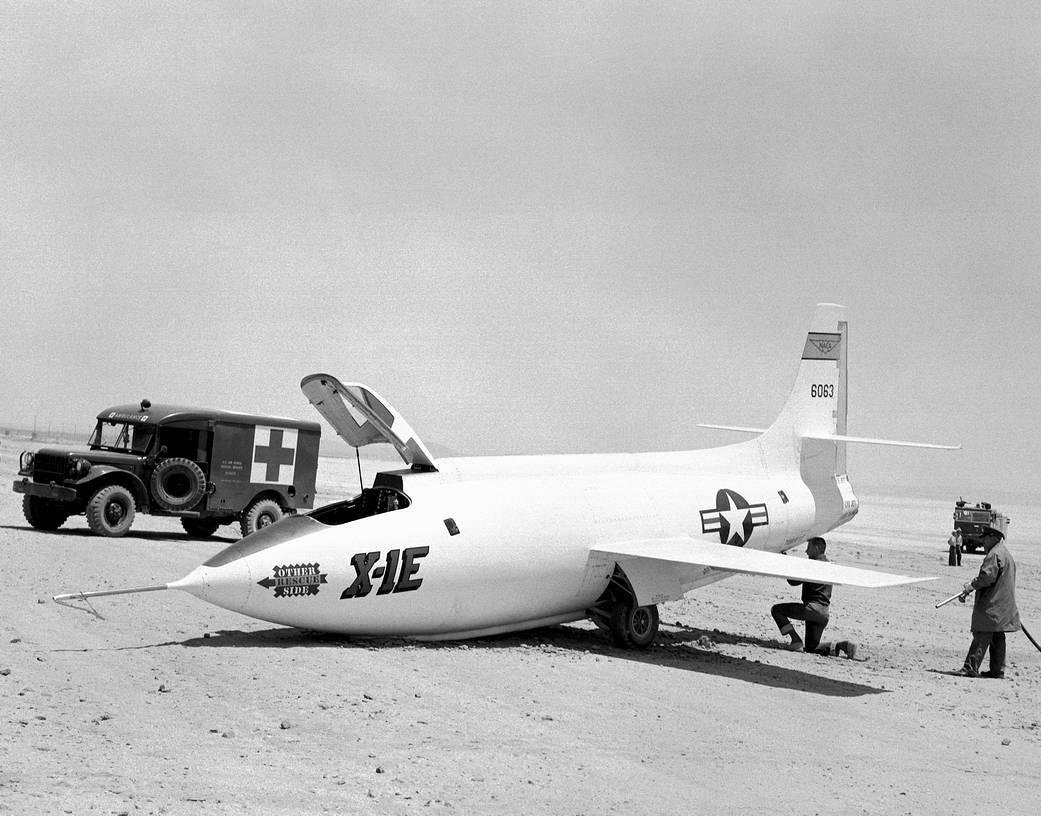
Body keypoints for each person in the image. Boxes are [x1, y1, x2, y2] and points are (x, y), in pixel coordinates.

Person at [771, 537, 857, 659]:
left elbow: (792, 582)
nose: (806, 551)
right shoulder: (830, 565)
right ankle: (842, 646)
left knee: (776, 610)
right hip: (824, 614)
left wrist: (785, 562)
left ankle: (795, 640)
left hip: (811, 609)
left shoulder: (812, 564)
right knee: (812, 647)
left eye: (809, 547)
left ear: (817, 548)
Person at [958, 526, 1019, 678]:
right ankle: (997, 671)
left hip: (993, 604)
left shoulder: (994, 554)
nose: (983, 542)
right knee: (998, 636)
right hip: (1003, 606)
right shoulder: (1006, 554)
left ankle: (970, 667)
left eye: (984, 539)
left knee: (983, 633)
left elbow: (987, 577)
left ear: (992, 537)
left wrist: (971, 585)